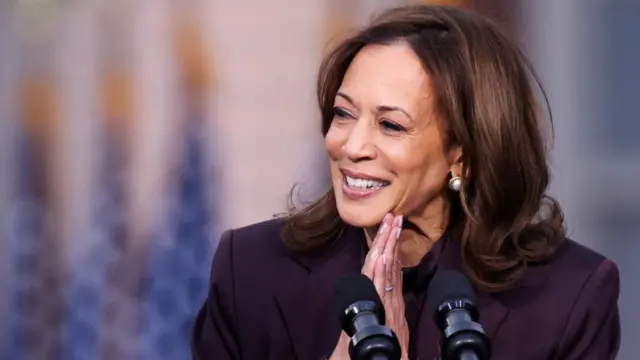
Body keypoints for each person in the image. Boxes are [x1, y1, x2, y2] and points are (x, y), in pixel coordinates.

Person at [191, 4, 620, 360]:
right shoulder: (251, 273)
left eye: (390, 125)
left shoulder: (567, 297)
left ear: (464, 154)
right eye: (343, 114)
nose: (351, 145)